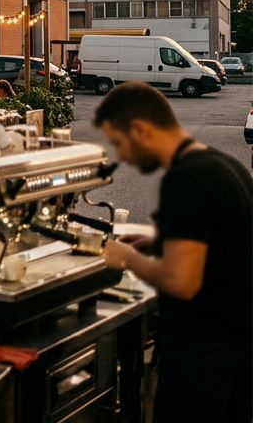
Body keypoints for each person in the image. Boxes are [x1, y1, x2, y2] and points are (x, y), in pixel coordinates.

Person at [94, 82, 252, 421]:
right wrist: (163, 240)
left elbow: (182, 282)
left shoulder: (186, 180)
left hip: (203, 356)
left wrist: (126, 257)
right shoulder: (221, 165)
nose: (121, 157)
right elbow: (224, 238)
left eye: (120, 144)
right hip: (238, 349)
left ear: (139, 129)